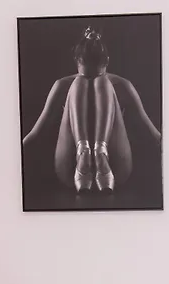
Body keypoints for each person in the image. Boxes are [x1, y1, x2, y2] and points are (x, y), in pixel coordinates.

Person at [22, 26, 161, 193]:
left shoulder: (63, 85)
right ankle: (97, 150)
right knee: (95, 82)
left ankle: (86, 150)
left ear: (76, 59)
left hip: (73, 170)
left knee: (88, 82)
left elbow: (36, 133)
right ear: (107, 60)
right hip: (114, 170)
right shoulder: (122, 84)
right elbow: (151, 132)